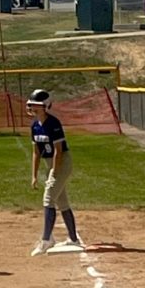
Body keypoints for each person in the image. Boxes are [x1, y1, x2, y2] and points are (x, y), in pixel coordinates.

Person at [27, 89, 82, 256]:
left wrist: (54, 173)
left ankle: (46, 240)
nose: (32, 107)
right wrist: (34, 175)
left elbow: (58, 151)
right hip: (50, 163)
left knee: (48, 198)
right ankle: (73, 239)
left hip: (62, 162)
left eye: (36, 105)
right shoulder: (35, 126)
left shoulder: (53, 123)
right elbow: (37, 152)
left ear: (45, 106)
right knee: (62, 201)